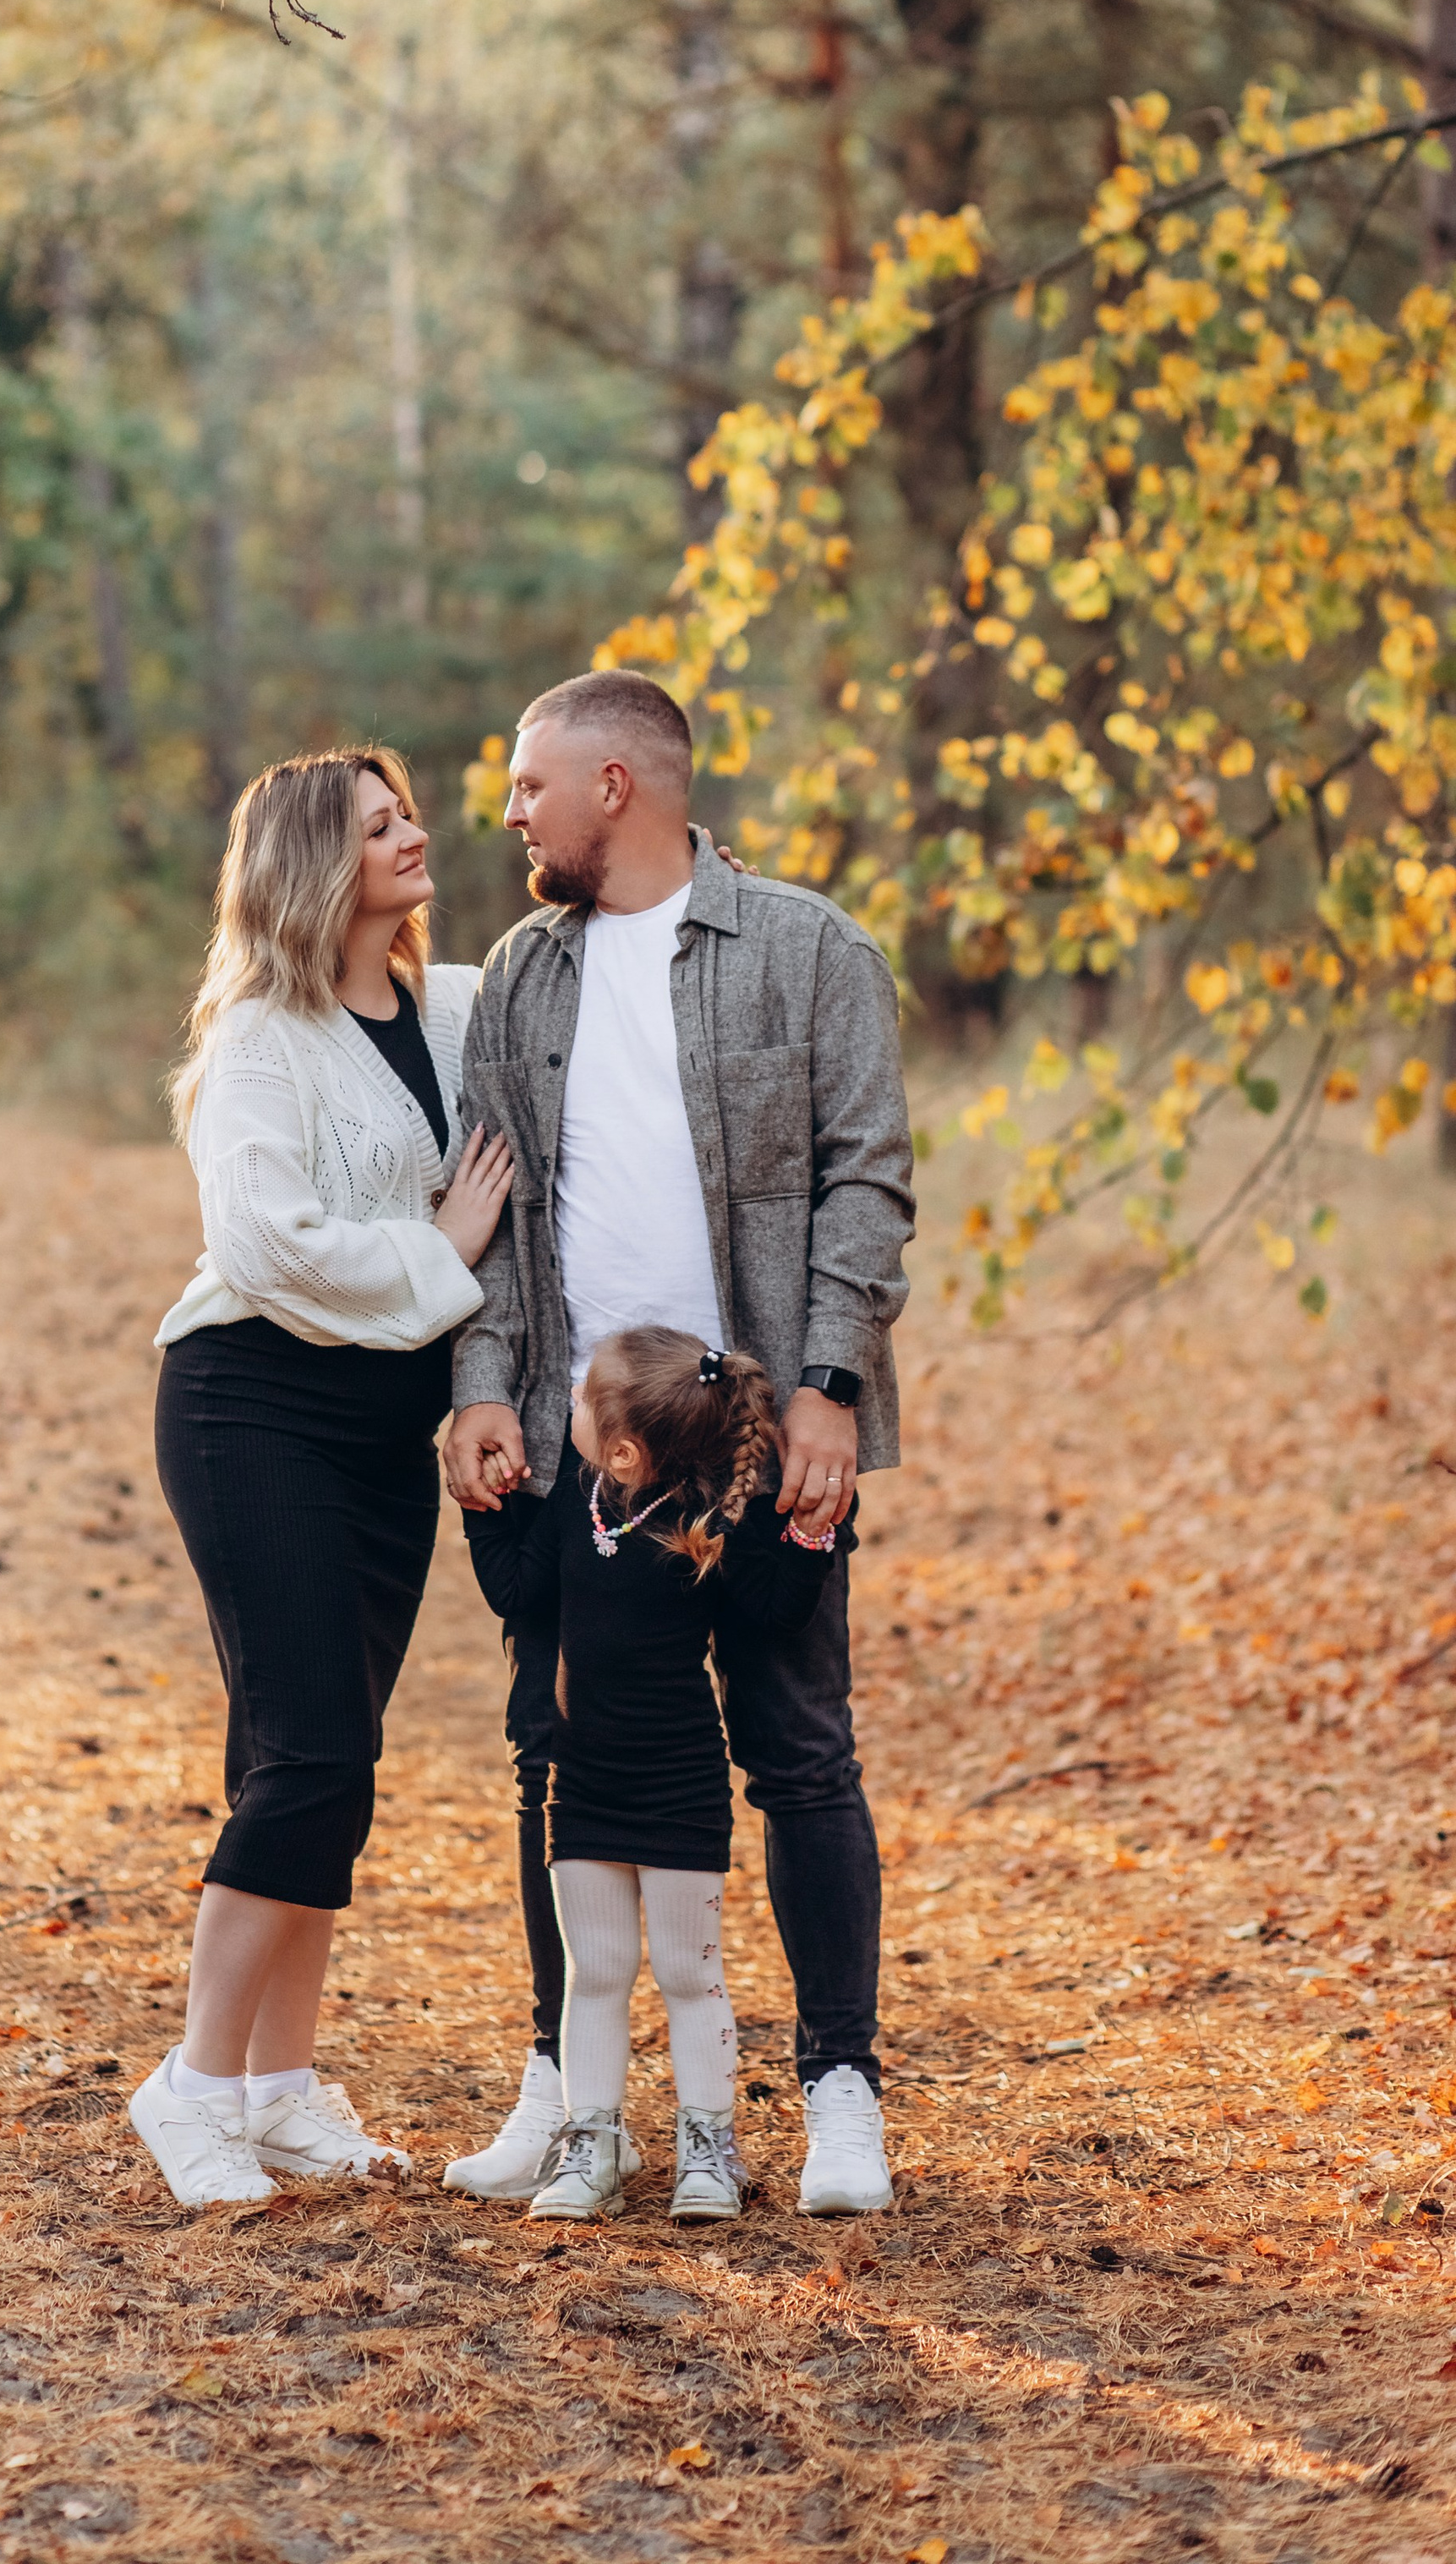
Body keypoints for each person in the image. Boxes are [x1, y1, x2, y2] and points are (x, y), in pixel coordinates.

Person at [441, 668, 914, 2217]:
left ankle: (840, 2093)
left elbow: (868, 1181)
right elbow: (492, 1209)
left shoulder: (807, 949)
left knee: (799, 1751)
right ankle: (568, 2099)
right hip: (591, 1446)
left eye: (529, 785)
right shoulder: (521, 974)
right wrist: (482, 1384)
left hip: (757, 1440)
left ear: (616, 787)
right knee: (556, 1757)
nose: (510, 812)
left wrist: (830, 1385)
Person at [129, 747, 516, 2211]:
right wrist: (445, 1256)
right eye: (380, 823)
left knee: (327, 1765)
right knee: (307, 1760)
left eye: (407, 812)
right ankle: (192, 2085)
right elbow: (264, 1243)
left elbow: (591, 991)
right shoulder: (259, 1038)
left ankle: (279, 2092)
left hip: (376, 1432)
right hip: (253, 1408)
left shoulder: (457, 1005)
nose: (416, 834)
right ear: (312, 860)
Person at [461, 1324, 835, 2222]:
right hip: (582, 1784)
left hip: (679, 1787)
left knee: (686, 1972)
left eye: (583, 1402)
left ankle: (708, 2148)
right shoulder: (576, 1505)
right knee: (594, 1970)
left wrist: (813, 1535)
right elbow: (517, 1593)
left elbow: (777, 1613)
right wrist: (489, 1510)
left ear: (624, 1445)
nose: (569, 1410)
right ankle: (589, 2143)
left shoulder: (706, 1523)